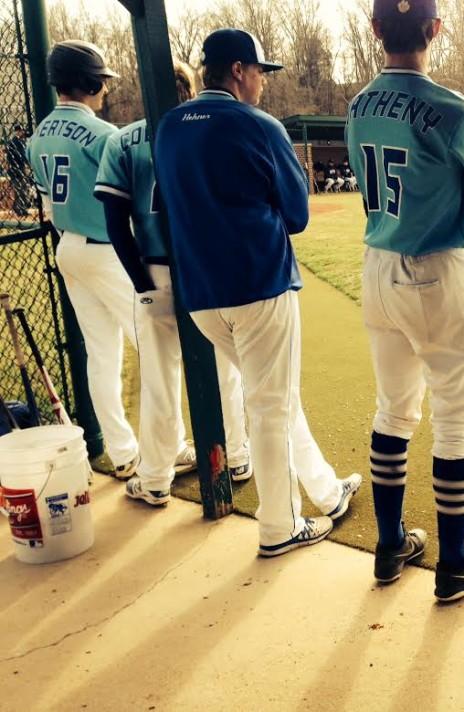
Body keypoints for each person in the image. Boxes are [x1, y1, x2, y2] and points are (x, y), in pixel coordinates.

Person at [154, 28, 362, 557]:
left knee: (275, 397)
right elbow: (296, 216)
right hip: (258, 284)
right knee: (270, 405)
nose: (264, 83)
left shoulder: (170, 126)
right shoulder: (258, 125)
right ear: (239, 71)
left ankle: (325, 491)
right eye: (260, 73)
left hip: (200, 293)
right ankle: (280, 527)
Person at [346, 0, 464, 600]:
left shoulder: (359, 105)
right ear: (434, 30)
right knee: (454, 418)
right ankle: (454, 563)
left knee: (393, 410)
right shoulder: (450, 108)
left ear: (374, 32)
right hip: (438, 269)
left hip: (377, 264)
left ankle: (391, 545)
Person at [94, 62, 251, 507]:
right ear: (191, 90)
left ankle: (157, 479)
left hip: (155, 270)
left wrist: (140, 284)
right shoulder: (210, 130)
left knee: (160, 380)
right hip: (208, 269)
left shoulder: (122, 139)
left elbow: (115, 224)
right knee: (227, 370)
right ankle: (238, 457)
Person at [27, 41, 144, 478]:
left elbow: (47, 201)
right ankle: (162, 450)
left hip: (69, 249)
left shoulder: (38, 135)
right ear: (91, 82)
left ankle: (123, 452)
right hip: (107, 251)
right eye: (103, 81)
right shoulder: (105, 135)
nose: (106, 90)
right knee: (153, 348)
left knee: (101, 355)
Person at [5, 124, 31, 217]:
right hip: (16, 170)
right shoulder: (15, 142)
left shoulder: (17, 141)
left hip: (17, 169)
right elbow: (21, 156)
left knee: (22, 189)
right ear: (18, 131)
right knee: (21, 189)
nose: (22, 132)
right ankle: (19, 209)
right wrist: (27, 165)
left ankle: (20, 208)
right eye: (20, 131)